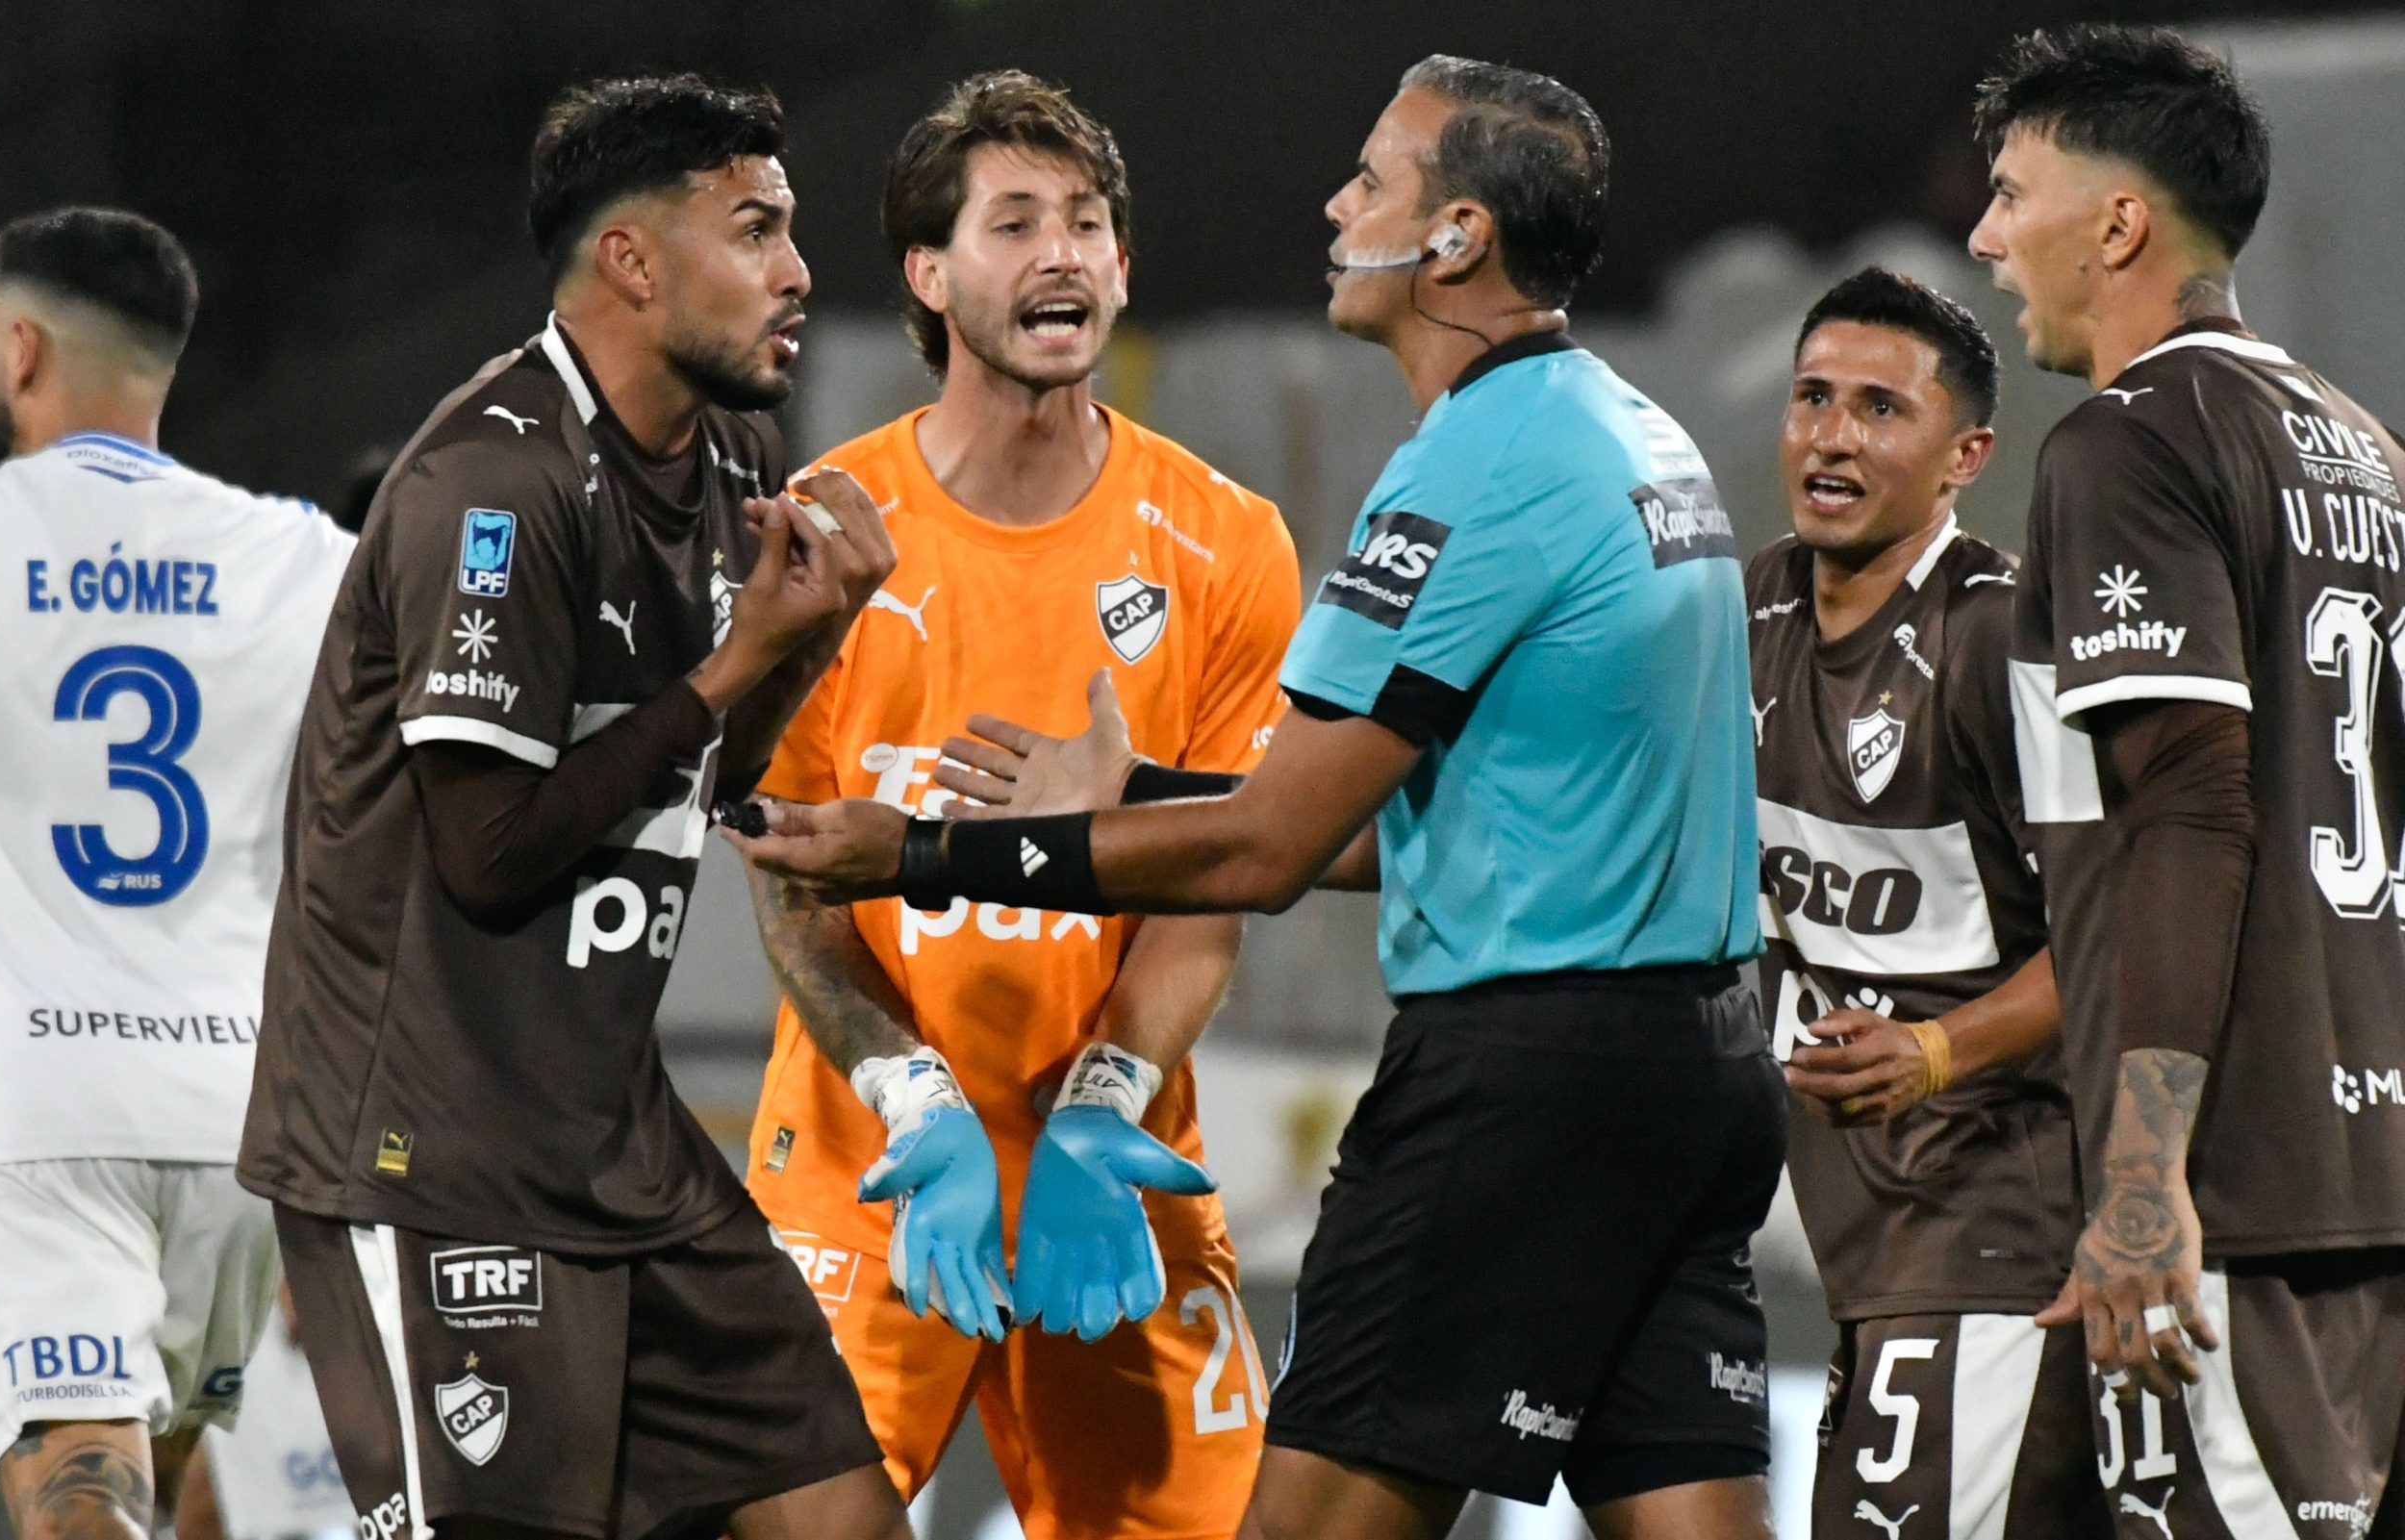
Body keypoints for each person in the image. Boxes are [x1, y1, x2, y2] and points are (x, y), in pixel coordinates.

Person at [736, 55, 1781, 1540]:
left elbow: (1266, 848)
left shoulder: (1397, 490)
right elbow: (1398, 814)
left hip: (1477, 1094)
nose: (1335, 203)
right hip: (1687, 1072)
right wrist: (1142, 799)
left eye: (1372, 180)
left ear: (1455, 237)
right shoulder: (1631, 433)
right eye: (1017, 221)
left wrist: (928, 849)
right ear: (926, 270)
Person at [235, 76, 911, 1540]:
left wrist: (797, 655)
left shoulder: (731, 456)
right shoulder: (493, 482)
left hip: (613, 1143)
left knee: (845, 1515)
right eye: (758, 230)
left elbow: (693, 777)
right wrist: (743, 659)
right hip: (429, 1153)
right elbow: (488, 854)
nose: (799, 272)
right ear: (633, 262)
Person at [739, 71, 1299, 1538]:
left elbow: (1218, 876)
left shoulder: (1230, 544)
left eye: (1090, 222)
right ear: (929, 275)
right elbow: (790, 877)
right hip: (873, 1165)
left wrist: (1102, 1105)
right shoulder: (823, 530)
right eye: (1016, 221)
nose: (1064, 252)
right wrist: (909, 1095)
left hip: (1101, 1167)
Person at [1970, 23, 2405, 1533]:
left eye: (2013, 192)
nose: (1986, 236)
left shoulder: (2127, 440)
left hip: (2231, 1199)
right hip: (2367, 1163)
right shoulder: (2367, 450)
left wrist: (2142, 1181)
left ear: (2118, 224)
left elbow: (2192, 805)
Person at [0, 207, 353, 1540]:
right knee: (169, 1502)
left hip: (37, 1107)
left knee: (80, 1498)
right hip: (238, 1111)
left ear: (19, 348)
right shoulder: (306, 560)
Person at [1752, 267, 2104, 1538]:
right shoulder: (1745, 619)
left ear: (1966, 455)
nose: (1832, 435)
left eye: (1879, 409)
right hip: (1871, 1251)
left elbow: (2115, 944)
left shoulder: (2008, 639)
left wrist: (1936, 1046)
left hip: (2008, 1236)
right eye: (1812, 397)